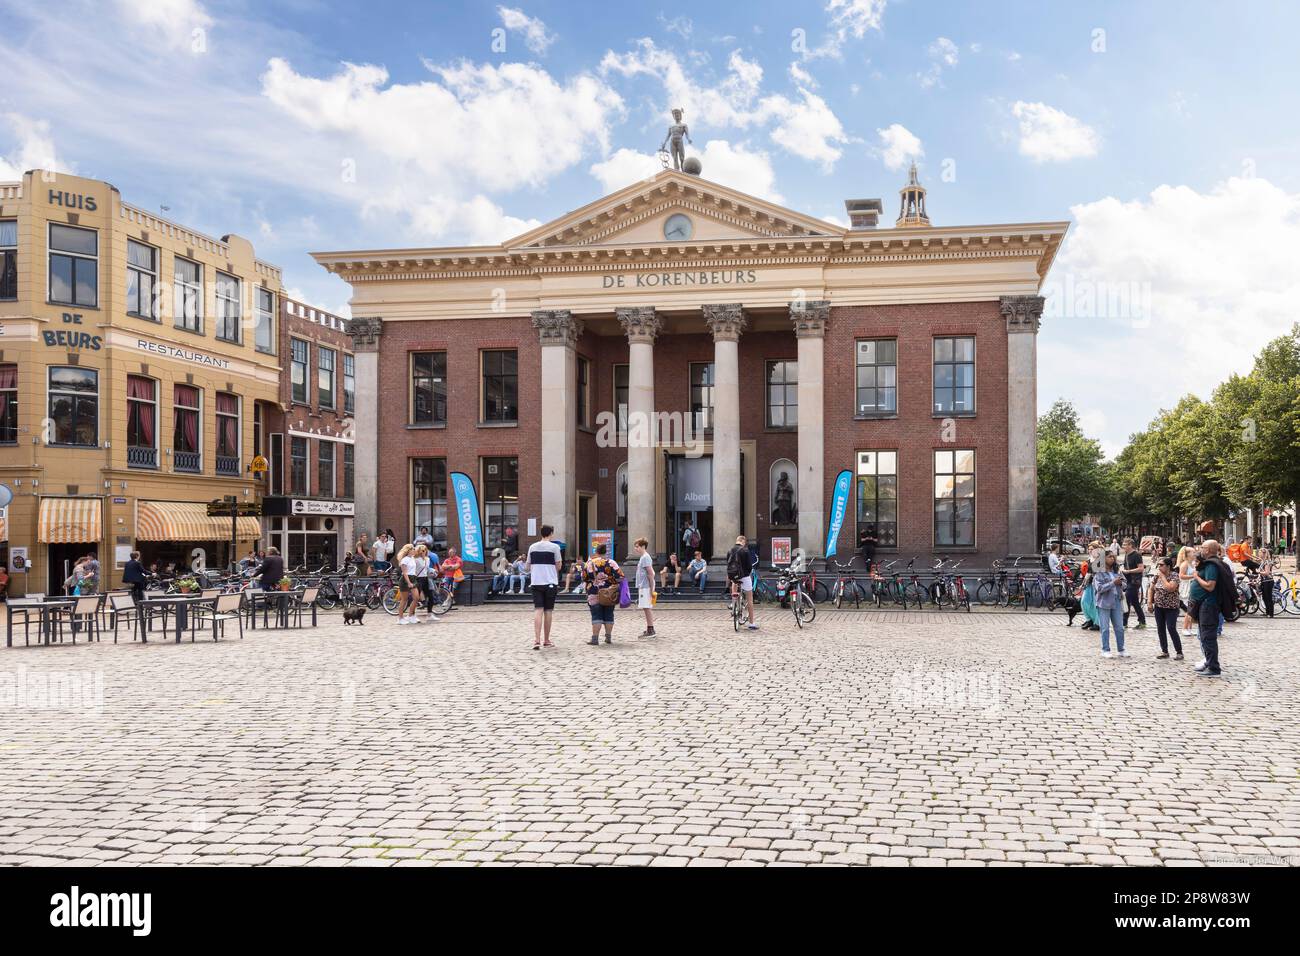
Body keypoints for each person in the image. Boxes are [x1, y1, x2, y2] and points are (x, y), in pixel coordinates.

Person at [1189, 539, 1225, 677]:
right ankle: (1209, 663)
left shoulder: (1211, 565)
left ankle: (1214, 668)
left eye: (1202, 547)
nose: (1200, 549)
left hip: (1208, 605)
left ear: (1208, 550)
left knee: (1208, 637)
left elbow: (1210, 585)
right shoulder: (1210, 563)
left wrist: (1197, 577)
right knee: (1204, 636)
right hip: (1204, 604)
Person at [525, 525, 562, 649]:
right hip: (550, 582)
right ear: (551, 533)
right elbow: (559, 566)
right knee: (548, 611)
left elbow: (527, 566)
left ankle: (536, 640)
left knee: (538, 610)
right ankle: (546, 640)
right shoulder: (555, 547)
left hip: (536, 582)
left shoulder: (532, 547)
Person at [584, 543, 624, 645]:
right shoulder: (611, 562)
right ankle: (608, 637)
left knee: (596, 615)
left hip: (594, 592)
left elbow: (584, 577)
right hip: (609, 593)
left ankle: (595, 638)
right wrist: (610, 580)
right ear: (606, 552)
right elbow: (621, 576)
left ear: (596, 552)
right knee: (609, 614)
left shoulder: (589, 563)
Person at [1147, 557, 1184, 660]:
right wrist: (1149, 602)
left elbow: (1170, 588)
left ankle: (1179, 652)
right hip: (1159, 606)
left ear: (1168, 566)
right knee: (1160, 628)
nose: (1159, 567)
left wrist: (1162, 577)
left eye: (1161, 565)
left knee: (1171, 627)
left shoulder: (1174, 576)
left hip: (1171, 607)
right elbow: (1151, 589)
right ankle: (1164, 651)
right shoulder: (1156, 576)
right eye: (1158, 565)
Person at [1093, 550, 1127, 658]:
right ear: (1103, 559)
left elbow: (1125, 584)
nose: (1112, 558)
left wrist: (1121, 583)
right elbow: (1099, 588)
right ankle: (1105, 649)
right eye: (1109, 557)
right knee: (1105, 628)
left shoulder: (1117, 571)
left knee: (1119, 627)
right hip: (1104, 602)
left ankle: (1121, 649)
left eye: (1113, 557)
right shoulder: (1099, 573)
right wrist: (1113, 583)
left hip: (1117, 601)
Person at [726, 534, 758, 630]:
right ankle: (751, 623)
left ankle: (733, 603)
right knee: (750, 599)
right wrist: (747, 574)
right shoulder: (745, 550)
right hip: (744, 576)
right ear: (743, 542)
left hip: (733, 576)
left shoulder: (730, 550)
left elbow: (728, 564)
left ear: (737, 541)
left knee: (734, 586)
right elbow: (749, 566)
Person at [1120, 537, 1146, 630]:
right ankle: (1142, 621)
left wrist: (1129, 571)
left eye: (1125, 544)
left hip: (1135, 581)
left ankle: (1124, 623)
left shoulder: (1137, 555)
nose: (1123, 546)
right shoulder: (1126, 554)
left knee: (1126, 600)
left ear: (1130, 545)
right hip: (1128, 581)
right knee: (1135, 602)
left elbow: (1141, 568)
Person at [634, 538, 657, 637]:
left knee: (647, 607)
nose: (636, 548)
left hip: (646, 586)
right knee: (646, 607)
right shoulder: (643, 557)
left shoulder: (645, 557)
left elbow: (651, 574)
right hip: (644, 586)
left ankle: (651, 629)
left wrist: (652, 590)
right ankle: (650, 628)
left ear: (643, 546)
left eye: (637, 546)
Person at [394, 544, 421, 624]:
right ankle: (400, 618)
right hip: (405, 580)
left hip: (413, 578)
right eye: (412, 549)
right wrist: (409, 582)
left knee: (416, 598)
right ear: (408, 550)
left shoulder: (412, 558)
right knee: (404, 600)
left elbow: (413, 570)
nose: (414, 550)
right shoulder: (404, 560)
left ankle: (410, 616)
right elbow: (405, 573)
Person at [1176, 545, 1197, 638]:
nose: (1194, 553)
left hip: (1192, 586)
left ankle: (1190, 628)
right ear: (1187, 554)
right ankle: (1185, 628)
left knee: (1192, 609)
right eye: (1193, 552)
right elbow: (1181, 576)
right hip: (1187, 587)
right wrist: (1193, 576)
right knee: (1189, 609)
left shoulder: (1192, 563)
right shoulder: (1185, 564)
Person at [1258, 547, 1276, 618]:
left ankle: (1271, 613)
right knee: (1265, 597)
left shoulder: (1267, 562)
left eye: (1260, 552)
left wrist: (1258, 572)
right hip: (1264, 581)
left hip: (1268, 581)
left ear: (1263, 554)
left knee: (1268, 597)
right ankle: (1267, 612)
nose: (1259, 554)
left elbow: (1267, 573)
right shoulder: (1263, 561)